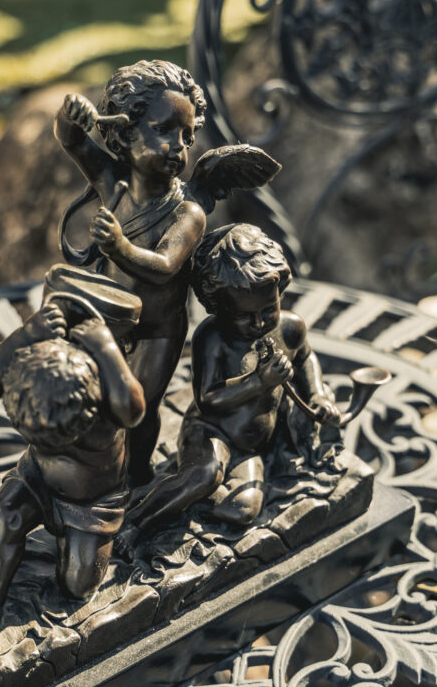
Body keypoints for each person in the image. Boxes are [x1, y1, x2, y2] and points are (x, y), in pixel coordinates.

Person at [125, 224, 341, 541]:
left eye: (269, 309)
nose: (258, 323)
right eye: (243, 315)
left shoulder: (290, 327)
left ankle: (178, 494)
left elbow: (306, 358)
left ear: (280, 291)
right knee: (205, 474)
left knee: (241, 510)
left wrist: (319, 395)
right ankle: (137, 522)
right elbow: (207, 398)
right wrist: (258, 382)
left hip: (249, 448)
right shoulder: (213, 338)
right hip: (212, 432)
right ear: (218, 308)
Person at [55, 60, 208, 485]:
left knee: (137, 408)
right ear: (125, 134)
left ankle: (136, 477)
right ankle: (91, 470)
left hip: (158, 331)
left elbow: (163, 267)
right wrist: (72, 114)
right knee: (93, 397)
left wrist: (119, 247)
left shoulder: (188, 213)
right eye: (164, 130)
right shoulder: (111, 180)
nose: (179, 146)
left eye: (187, 136)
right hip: (108, 320)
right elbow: (70, 139)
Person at [0, 301, 145, 644]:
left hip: (92, 502)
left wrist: (106, 347)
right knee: (4, 513)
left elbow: (135, 409)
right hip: (38, 478)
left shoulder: (107, 394)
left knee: (77, 587)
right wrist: (27, 334)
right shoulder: (39, 367)